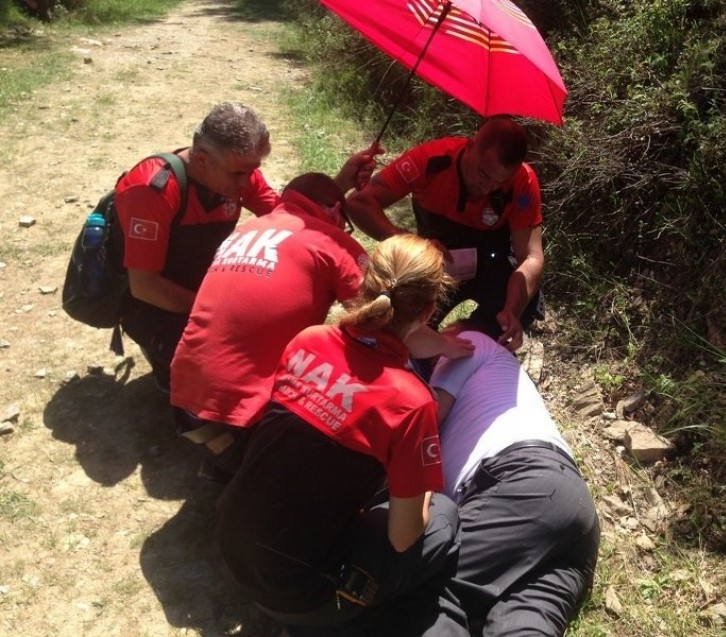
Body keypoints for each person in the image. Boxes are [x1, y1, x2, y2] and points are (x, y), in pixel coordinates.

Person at [214, 234, 462, 632]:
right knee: (444, 518)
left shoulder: (308, 340)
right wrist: (425, 484)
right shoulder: (411, 402)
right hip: (298, 595)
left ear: (364, 285)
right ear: (429, 310)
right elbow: (403, 537)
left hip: (232, 545)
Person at [358, 323, 600, 637]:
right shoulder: (485, 395)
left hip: (521, 481)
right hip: (569, 511)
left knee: (426, 587)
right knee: (525, 622)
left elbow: (422, 421)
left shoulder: (468, 344)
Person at [113, 102, 375, 391]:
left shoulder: (237, 175)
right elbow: (144, 286)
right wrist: (218, 312)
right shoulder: (151, 191)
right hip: (152, 303)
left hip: (203, 288)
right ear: (201, 159)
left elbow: (289, 220)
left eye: (253, 171)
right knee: (212, 371)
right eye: (238, 174)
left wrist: (337, 186)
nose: (247, 182)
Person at [168, 171, 368, 480]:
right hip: (240, 420)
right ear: (335, 209)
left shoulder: (246, 230)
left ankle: (224, 462)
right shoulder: (332, 242)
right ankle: (253, 475)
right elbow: (378, 324)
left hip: (185, 400)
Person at [346, 118, 545, 352]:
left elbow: (531, 257)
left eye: (499, 181)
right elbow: (359, 203)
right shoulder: (432, 159)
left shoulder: (523, 180)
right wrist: (409, 242)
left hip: (490, 263)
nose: (487, 186)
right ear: (469, 146)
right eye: (482, 173)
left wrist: (512, 310)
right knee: (397, 329)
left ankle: (469, 339)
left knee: (521, 306)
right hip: (435, 264)